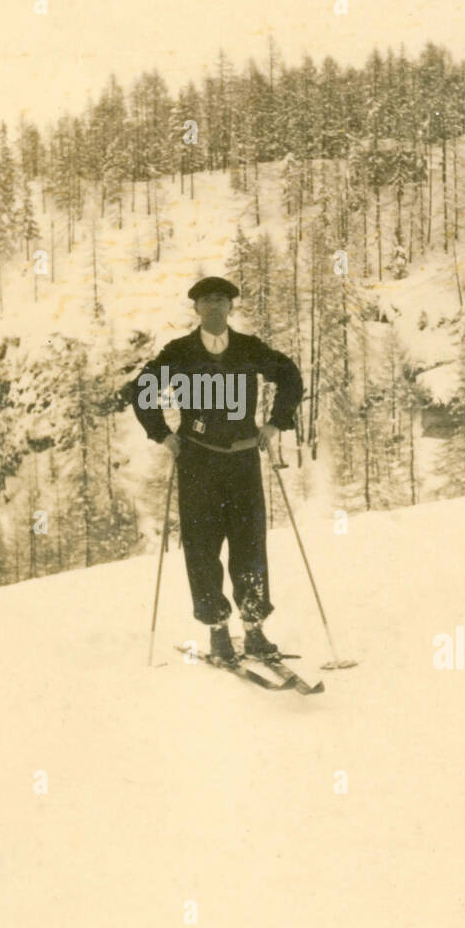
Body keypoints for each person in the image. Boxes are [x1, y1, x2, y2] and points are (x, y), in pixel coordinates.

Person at [132, 275, 303, 664]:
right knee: (202, 546)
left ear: (230, 307)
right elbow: (141, 391)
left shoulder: (247, 348)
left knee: (250, 545)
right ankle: (219, 632)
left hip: (243, 461)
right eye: (206, 300)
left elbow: (290, 376)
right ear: (196, 309)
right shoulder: (179, 352)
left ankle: (255, 630)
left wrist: (276, 422)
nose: (214, 306)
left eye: (221, 300)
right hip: (197, 463)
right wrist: (163, 435)